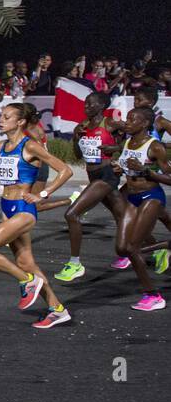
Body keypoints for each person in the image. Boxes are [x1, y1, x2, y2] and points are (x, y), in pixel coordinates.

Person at [0, 102, 73, 328]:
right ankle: (57, 309)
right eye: (1, 116)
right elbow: (1, 180)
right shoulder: (0, 146)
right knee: (25, 261)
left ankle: (27, 281)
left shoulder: (31, 146)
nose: (1, 120)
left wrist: (42, 194)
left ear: (20, 122)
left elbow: (65, 170)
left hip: (24, 210)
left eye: (7, 117)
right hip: (6, 207)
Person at [55, 92, 127, 282]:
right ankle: (153, 249)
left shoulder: (110, 123)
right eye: (85, 104)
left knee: (72, 214)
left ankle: (75, 263)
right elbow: (79, 156)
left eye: (90, 104)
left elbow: (136, 137)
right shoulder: (81, 127)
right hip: (92, 174)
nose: (86, 107)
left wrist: (118, 148)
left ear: (101, 105)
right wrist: (75, 139)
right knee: (123, 215)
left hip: (107, 175)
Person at [112, 106, 169, 310]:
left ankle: (153, 296)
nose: (126, 123)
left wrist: (147, 172)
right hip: (133, 198)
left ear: (144, 123)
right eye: (127, 119)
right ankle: (165, 246)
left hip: (152, 197)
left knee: (132, 248)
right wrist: (118, 166)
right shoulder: (128, 142)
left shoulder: (155, 147)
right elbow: (127, 166)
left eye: (131, 120)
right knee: (122, 248)